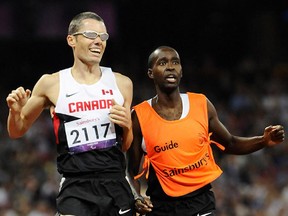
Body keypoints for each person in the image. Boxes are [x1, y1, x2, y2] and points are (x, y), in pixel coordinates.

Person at [126, 46, 285, 216]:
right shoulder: (139, 116)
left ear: (181, 71)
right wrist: (136, 198)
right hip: (161, 208)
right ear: (151, 73)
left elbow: (229, 143)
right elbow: (130, 171)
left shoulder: (201, 104)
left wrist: (263, 140)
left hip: (202, 205)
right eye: (162, 63)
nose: (170, 67)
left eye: (175, 62)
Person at [6, 11, 135, 216]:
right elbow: (17, 130)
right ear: (71, 40)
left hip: (116, 187)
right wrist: (15, 112)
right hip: (76, 189)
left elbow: (126, 145)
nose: (98, 42)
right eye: (91, 35)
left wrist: (128, 126)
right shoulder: (51, 84)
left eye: (103, 37)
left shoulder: (122, 83)